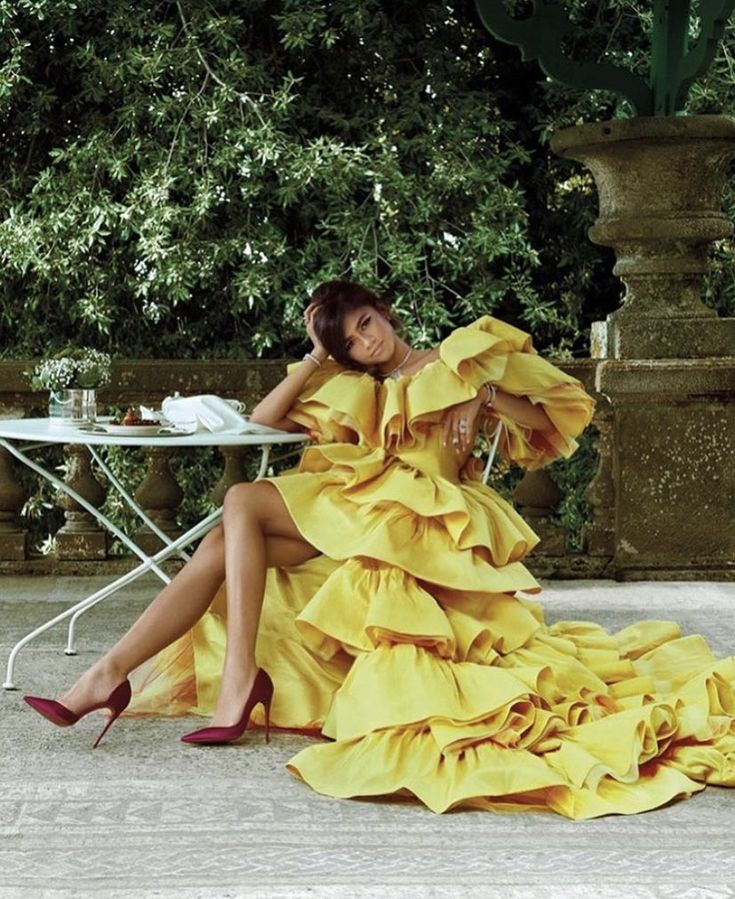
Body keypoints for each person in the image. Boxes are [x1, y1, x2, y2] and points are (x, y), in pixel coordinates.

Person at [24, 280, 735, 819]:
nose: (368, 343)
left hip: (422, 513)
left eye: (368, 324)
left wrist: (484, 394)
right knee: (226, 525)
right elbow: (263, 420)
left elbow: (548, 422)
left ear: (385, 313)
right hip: (358, 500)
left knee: (234, 511)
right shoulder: (350, 383)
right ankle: (127, 673)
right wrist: (311, 358)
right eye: (351, 342)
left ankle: (146, 678)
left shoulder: (455, 359)